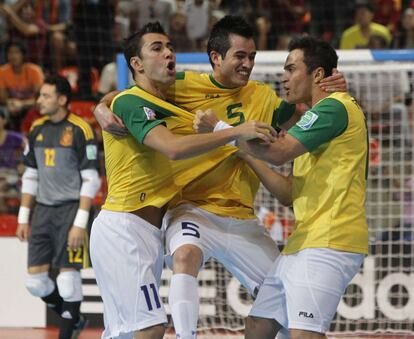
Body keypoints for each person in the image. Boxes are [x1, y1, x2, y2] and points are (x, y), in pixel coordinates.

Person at [94, 16, 347, 339]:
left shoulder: (264, 97)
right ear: (216, 57)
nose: (248, 64)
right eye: (239, 56)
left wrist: (329, 88)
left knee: (285, 300)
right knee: (179, 267)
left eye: (252, 56)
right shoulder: (181, 86)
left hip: (238, 218)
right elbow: (133, 95)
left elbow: (302, 104)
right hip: (190, 211)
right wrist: (100, 106)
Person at [89, 22, 276, 339]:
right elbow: (173, 149)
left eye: (170, 46)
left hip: (148, 231)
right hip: (122, 229)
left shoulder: (168, 102)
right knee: (150, 328)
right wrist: (234, 131)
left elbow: (116, 96)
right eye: (157, 48)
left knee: (124, 331)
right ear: (136, 64)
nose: (168, 53)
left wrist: (101, 103)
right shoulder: (132, 102)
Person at [209, 36, 368, 339]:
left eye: (291, 69)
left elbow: (279, 151)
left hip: (330, 241)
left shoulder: (333, 108)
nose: (283, 78)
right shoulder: (315, 126)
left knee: (304, 334)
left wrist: (221, 131)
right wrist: (245, 153)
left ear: (318, 74)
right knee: (258, 327)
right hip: (304, 241)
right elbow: (287, 194)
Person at [15, 75, 101, 339]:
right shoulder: (37, 129)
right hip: (42, 210)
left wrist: (79, 222)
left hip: (71, 210)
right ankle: (73, 317)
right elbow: (30, 176)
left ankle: (66, 331)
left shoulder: (80, 130)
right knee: (35, 283)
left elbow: (91, 179)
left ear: (62, 100)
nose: (39, 100)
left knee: (67, 279)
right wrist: (23, 217)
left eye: (46, 96)